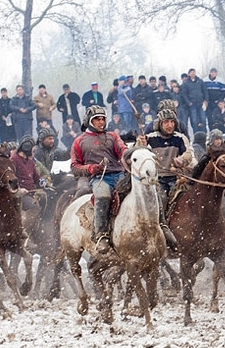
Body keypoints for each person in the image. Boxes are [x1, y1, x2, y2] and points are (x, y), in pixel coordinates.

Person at [70, 106, 128, 254]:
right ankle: (101, 234)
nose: (101, 122)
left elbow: (123, 151)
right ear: (89, 121)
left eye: (103, 119)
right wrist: (90, 168)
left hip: (119, 175)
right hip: (99, 178)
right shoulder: (79, 141)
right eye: (97, 119)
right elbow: (75, 167)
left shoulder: (112, 136)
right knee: (102, 196)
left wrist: (132, 151)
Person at [139, 109, 192, 250]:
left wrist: (180, 160)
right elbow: (137, 153)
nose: (169, 125)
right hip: (158, 179)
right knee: (160, 199)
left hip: (177, 177)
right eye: (166, 122)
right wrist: (141, 143)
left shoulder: (180, 138)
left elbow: (188, 154)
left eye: (172, 122)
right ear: (159, 124)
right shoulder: (150, 138)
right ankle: (160, 229)